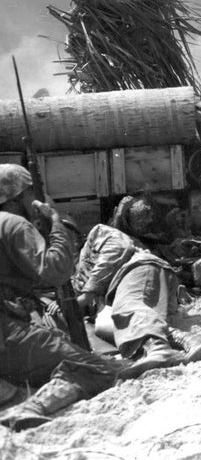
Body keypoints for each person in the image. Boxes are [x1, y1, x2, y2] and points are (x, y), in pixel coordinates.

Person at [0, 166, 125, 430]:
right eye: (32, 192)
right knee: (98, 369)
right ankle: (30, 407)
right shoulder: (13, 223)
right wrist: (56, 224)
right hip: (6, 334)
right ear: (20, 196)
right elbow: (55, 270)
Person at [72, 195, 201, 365]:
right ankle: (188, 340)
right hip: (135, 285)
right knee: (119, 325)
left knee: (130, 309)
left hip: (137, 270)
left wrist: (87, 294)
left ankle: (157, 349)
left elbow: (117, 248)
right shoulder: (76, 276)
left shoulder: (101, 233)